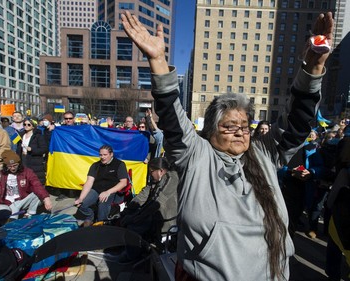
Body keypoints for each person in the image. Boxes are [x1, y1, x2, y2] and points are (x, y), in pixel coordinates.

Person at [121, 11, 333, 280]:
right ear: (209, 132)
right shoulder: (197, 155)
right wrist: (158, 62)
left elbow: (297, 122)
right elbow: (173, 120)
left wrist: (312, 69)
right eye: (229, 126)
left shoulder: (263, 153)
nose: (239, 133)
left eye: (244, 126)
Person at [118, 157, 179, 262]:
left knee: (133, 226)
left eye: (151, 172)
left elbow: (157, 202)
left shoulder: (171, 178)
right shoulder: (157, 179)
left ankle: (132, 256)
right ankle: (135, 248)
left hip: (166, 219)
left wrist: (135, 218)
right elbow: (142, 196)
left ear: (160, 171)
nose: (150, 175)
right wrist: (127, 211)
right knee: (128, 217)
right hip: (154, 215)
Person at [0, 150, 52, 220]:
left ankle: (30, 214)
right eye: (10, 166)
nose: (13, 168)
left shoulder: (27, 172)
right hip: (5, 203)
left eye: (15, 165)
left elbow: (36, 185)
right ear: (5, 166)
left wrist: (46, 198)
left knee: (37, 193)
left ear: (19, 163)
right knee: (10, 221)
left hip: (21, 200)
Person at [74, 145, 128, 226]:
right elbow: (89, 182)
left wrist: (108, 192)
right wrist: (81, 198)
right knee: (82, 204)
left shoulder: (119, 164)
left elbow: (124, 182)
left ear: (111, 154)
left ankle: (101, 224)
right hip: (97, 189)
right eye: (100, 155)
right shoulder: (95, 165)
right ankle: (90, 217)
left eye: (105, 155)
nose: (102, 157)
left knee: (102, 205)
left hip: (112, 190)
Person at [16, 118, 48, 185]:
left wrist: (32, 150)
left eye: (28, 124)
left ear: (33, 126)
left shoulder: (38, 136)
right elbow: (15, 145)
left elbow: (44, 149)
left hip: (34, 162)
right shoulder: (20, 135)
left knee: (36, 182)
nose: (26, 126)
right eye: (24, 124)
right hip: (23, 160)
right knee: (25, 181)